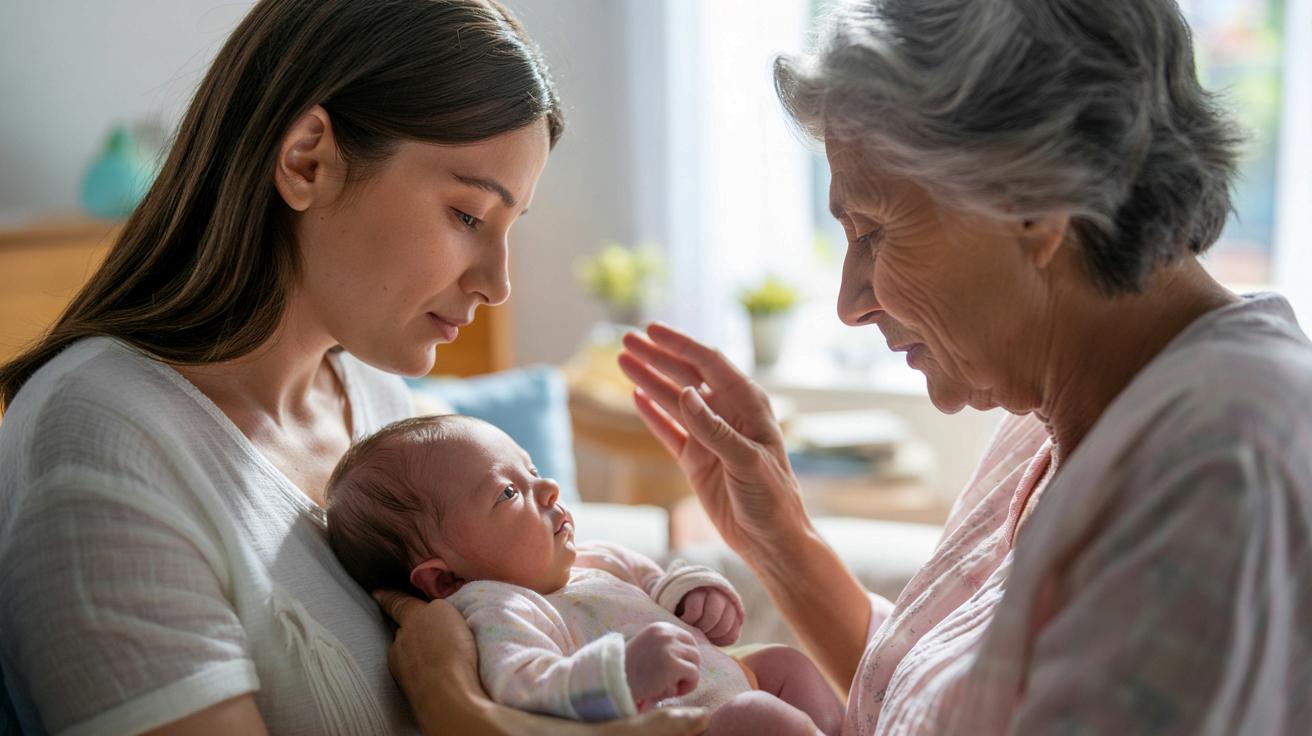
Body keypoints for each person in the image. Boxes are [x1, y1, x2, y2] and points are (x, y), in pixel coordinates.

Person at [0, 1, 709, 734]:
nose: (498, 284)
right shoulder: (101, 446)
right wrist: (456, 705)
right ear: (308, 158)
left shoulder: (378, 404)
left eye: (507, 228)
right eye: (468, 216)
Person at [614, 0, 1312, 734]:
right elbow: (935, 705)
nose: (851, 303)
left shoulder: (1219, 468)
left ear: (1035, 199)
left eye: (875, 231)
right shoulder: (1055, 412)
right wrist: (778, 537)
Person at [324, 414, 845, 735]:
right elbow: (525, 686)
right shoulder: (498, 607)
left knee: (786, 666)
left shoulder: (597, 558)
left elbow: (659, 583)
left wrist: (697, 596)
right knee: (756, 716)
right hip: (686, 725)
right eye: (508, 493)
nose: (547, 487)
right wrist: (622, 674)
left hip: (720, 687)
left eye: (530, 470)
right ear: (445, 580)